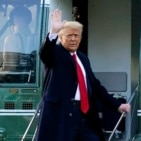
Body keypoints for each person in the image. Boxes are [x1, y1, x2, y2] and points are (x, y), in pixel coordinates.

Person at [36, 9, 131, 141]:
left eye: (76, 35)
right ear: (61, 37)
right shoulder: (55, 53)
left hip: (84, 116)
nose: (73, 39)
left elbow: (95, 86)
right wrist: (53, 32)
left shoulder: (83, 58)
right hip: (62, 116)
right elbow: (44, 53)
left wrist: (117, 105)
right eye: (69, 36)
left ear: (81, 38)